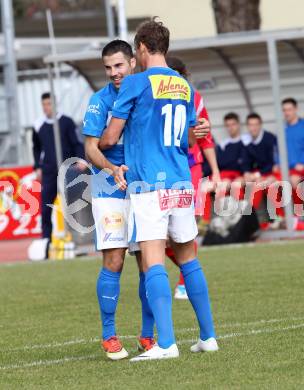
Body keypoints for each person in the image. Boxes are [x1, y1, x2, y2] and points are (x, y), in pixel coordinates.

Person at [98, 18, 218, 361]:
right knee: (188, 258)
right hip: (182, 180)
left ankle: (165, 344)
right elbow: (188, 136)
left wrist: (104, 137)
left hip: (151, 183)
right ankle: (207, 336)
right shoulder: (183, 85)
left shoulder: (136, 84)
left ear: (141, 48)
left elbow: (109, 138)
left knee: (152, 261)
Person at [83, 40, 155, 361]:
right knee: (115, 259)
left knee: (148, 260)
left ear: (132, 62)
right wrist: (112, 168)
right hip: (109, 187)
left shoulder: (147, 94)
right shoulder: (99, 102)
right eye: (108, 68)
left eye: (119, 66)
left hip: (143, 185)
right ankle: (109, 335)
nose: (114, 73)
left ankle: (147, 336)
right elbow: (91, 147)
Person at [165, 56, 219, 300]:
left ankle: (185, 282)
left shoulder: (195, 98)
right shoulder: (154, 99)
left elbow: (205, 136)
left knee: (189, 226)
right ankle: (191, 269)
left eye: (178, 74)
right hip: (165, 169)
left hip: (191, 167)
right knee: (165, 235)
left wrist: (215, 170)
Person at [32, 92, 85, 254]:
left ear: (55, 104)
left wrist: (81, 159)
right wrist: (37, 167)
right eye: (44, 104)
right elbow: (36, 147)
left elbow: (76, 142)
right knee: (46, 207)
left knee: (72, 204)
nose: (46, 107)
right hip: (48, 171)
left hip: (68, 170)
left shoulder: (67, 122)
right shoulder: (38, 125)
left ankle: (76, 240)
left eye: (49, 103)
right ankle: (46, 242)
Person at [282, 98, 304, 208]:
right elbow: (278, 150)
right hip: (287, 168)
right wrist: (277, 163)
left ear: (295, 109)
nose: (287, 113)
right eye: (284, 110)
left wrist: (302, 163)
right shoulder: (282, 129)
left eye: (289, 109)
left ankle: (298, 214)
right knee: (271, 182)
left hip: (301, 167)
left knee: (294, 180)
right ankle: (278, 218)